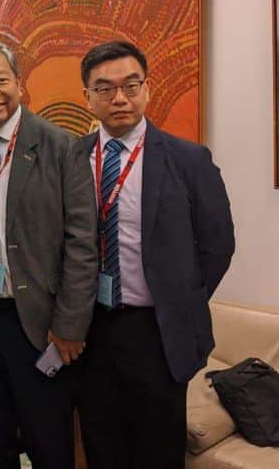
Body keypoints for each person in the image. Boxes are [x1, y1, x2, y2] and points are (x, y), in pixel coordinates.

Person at [76, 40, 235, 469]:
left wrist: (180, 297)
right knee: (100, 444)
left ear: (148, 88)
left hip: (158, 332)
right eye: (105, 89)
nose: (120, 98)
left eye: (131, 85)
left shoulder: (188, 159)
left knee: (158, 451)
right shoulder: (71, 159)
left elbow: (218, 243)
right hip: (90, 330)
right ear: (86, 97)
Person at [0, 41, 98, 469]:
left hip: (39, 324)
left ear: (20, 84)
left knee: (48, 441)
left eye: (0, 80)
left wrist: (69, 326)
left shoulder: (60, 147)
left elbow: (82, 245)